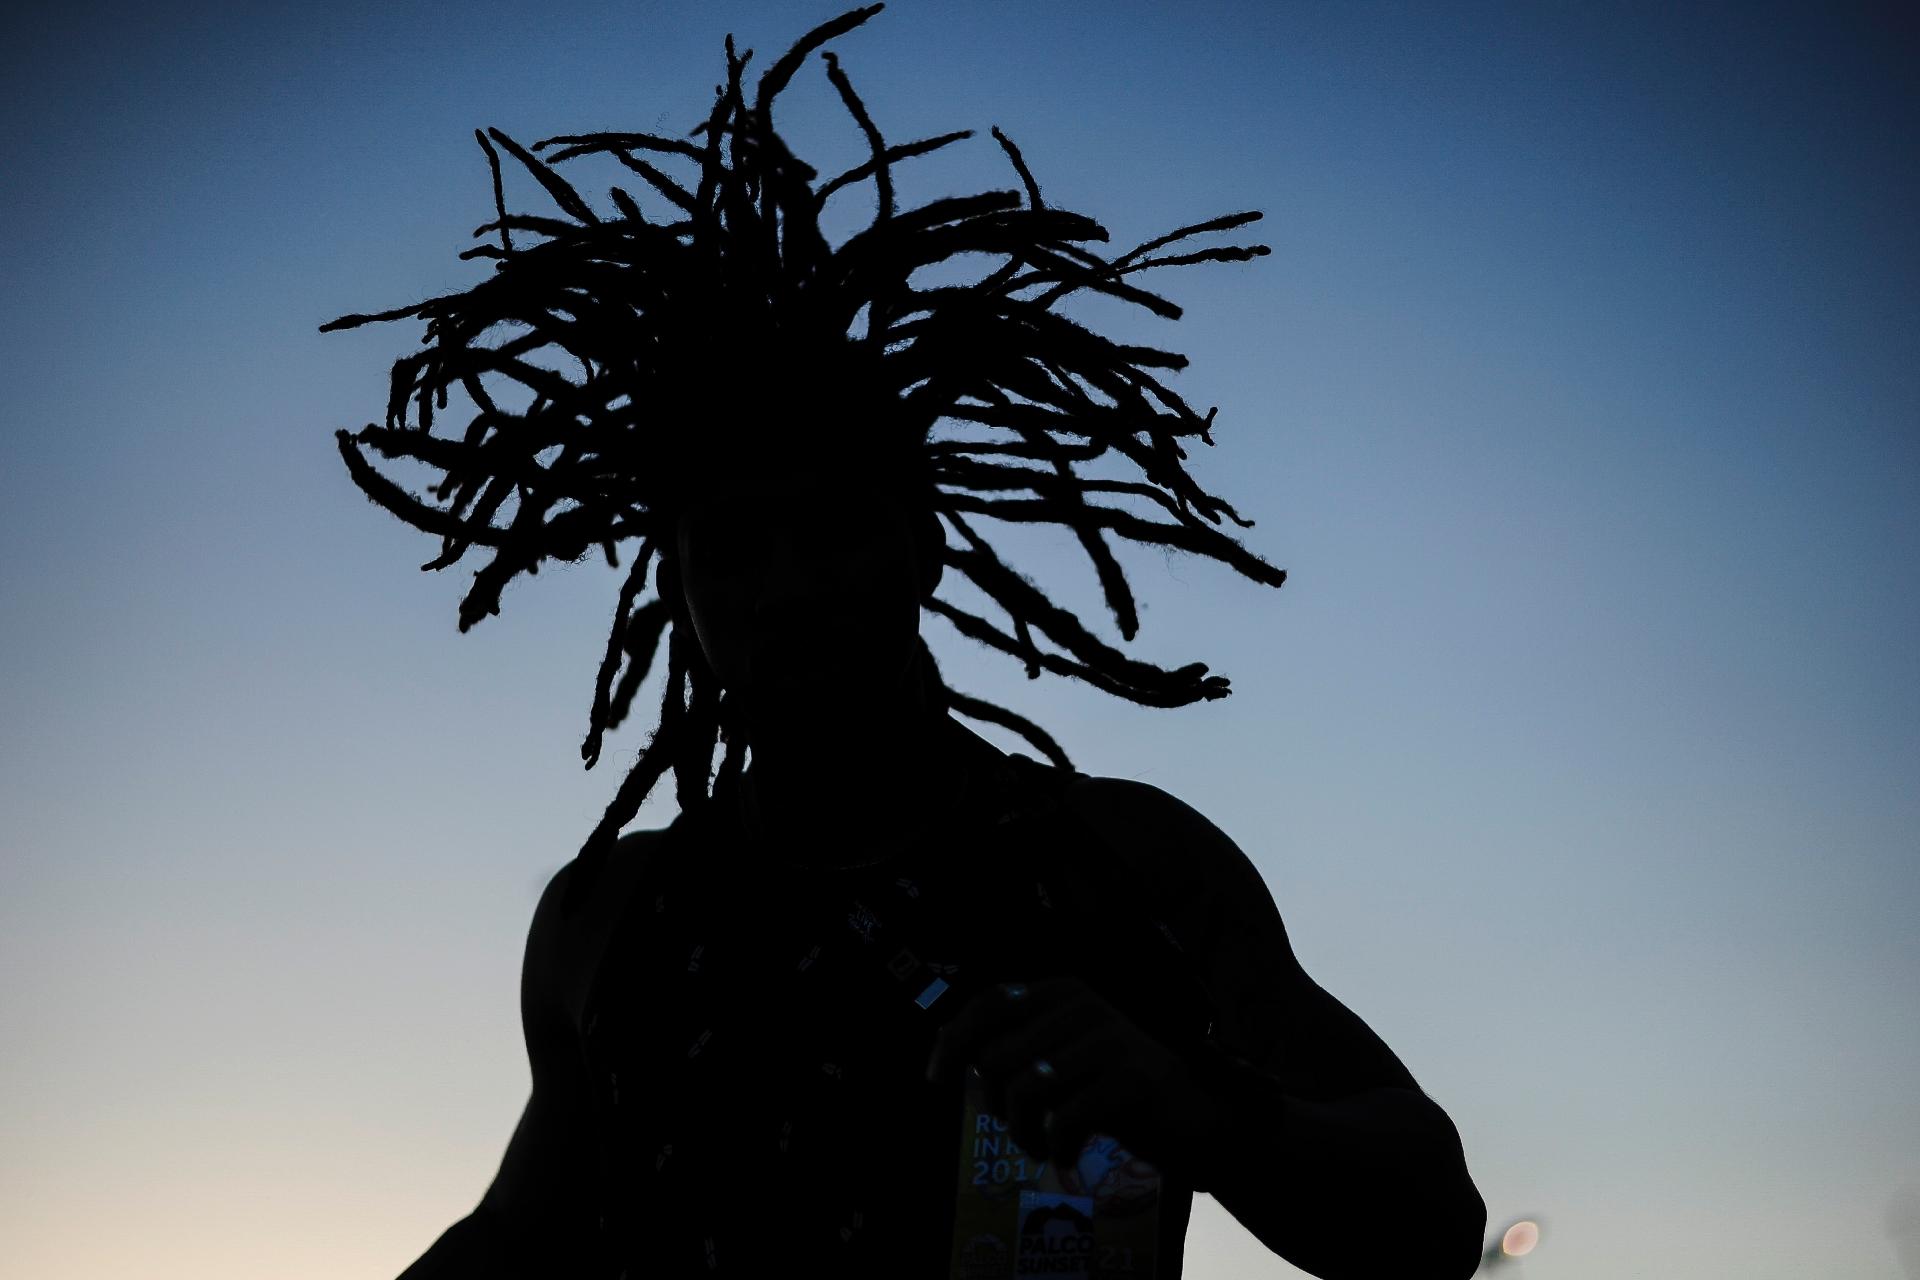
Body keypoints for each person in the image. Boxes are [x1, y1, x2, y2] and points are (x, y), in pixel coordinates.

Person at [326, 8, 1486, 1276]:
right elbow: (519, 1238)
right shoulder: (611, 916)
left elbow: (1431, 1221)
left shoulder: (1135, 866)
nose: (785, 585)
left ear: (920, 544)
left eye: (829, 528)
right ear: (679, 587)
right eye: (733, 547)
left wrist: (1196, 1107)